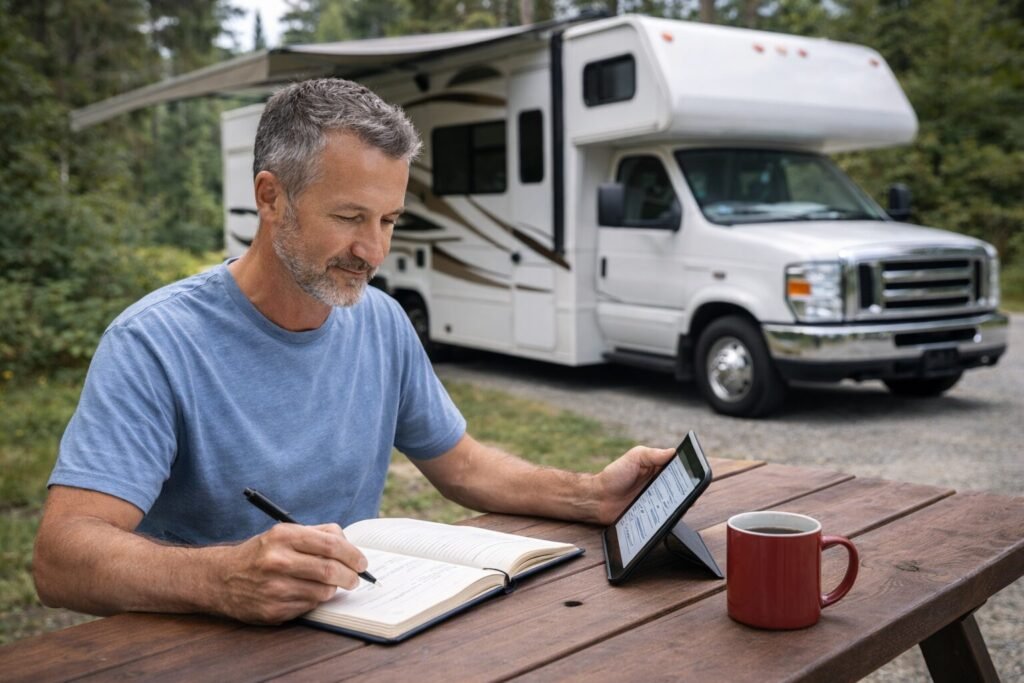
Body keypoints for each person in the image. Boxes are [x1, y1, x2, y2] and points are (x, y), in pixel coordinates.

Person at [33, 78, 674, 625]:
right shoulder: (155, 342)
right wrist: (222, 578)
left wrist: (591, 496)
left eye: (388, 220)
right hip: (189, 647)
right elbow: (61, 560)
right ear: (270, 196)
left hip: (353, 636)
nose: (373, 251)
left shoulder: (381, 321)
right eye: (348, 218)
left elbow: (463, 467)